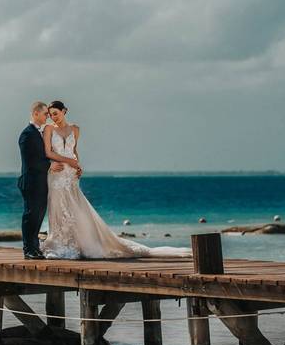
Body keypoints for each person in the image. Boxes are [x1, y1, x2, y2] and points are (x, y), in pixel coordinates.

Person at [40, 100, 190, 259]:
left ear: (64, 111)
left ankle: (80, 243)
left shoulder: (75, 129)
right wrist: (68, 161)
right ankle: (61, 244)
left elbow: (74, 150)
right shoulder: (49, 129)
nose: (53, 117)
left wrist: (78, 165)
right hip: (57, 175)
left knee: (77, 209)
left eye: (55, 113)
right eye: (50, 115)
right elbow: (48, 152)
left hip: (71, 174)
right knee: (59, 208)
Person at [17, 101, 80, 259]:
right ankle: (28, 249)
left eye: (49, 113)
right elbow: (30, 160)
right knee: (30, 216)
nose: (48, 116)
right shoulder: (27, 134)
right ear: (35, 114)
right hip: (31, 182)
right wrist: (49, 165)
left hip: (42, 182)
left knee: (38, 216)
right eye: (45, 114)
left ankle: (35, 247)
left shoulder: (40, 132)